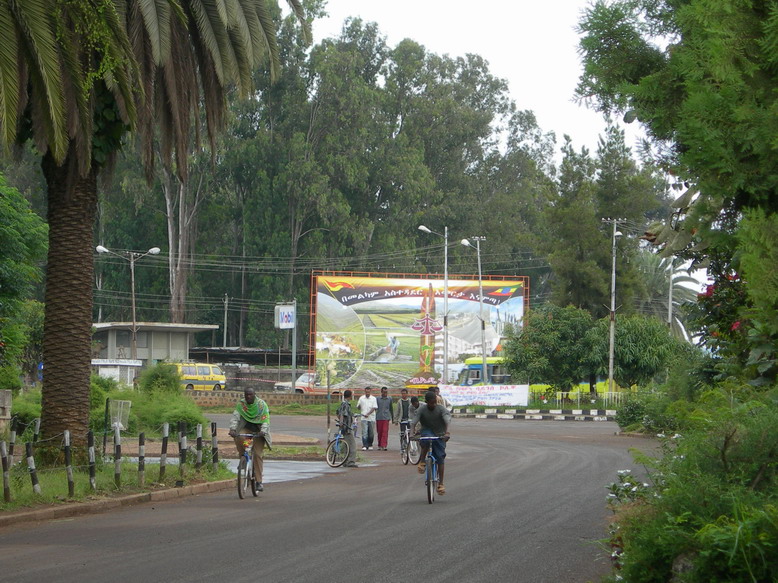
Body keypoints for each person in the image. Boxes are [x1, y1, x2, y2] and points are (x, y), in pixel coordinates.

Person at [228, 387, 272, 491]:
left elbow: (266, 420)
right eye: (246, 394)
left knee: (257, 454)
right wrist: (233, 429)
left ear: (254, 395)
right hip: (246, 429)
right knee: (239, 437)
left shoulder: (261, 405)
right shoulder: (241, 405)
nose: (248, 396)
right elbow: (235, 418)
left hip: (259, 431)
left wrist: (263, 431)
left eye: (250, 394)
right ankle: (243, 458)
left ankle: (259, 482)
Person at [411, 391, 451, 495]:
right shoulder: (421, 409)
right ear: (426, 402)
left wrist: (447, 433)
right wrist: (411, 433)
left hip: (440, 432)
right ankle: (422, 461)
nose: (433, 405)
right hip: (427, 430)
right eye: (431, 403)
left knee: (440, 457)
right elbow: (414, 421)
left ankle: (441, 483)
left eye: (434, 403)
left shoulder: (441, 409)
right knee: (426, 440)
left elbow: (447, 420)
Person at [336, 389, 358, 467]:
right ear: (350, 395)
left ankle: (345, 461)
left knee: (346, 445)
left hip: (344, 428)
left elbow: (339, 413)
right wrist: (342, 423)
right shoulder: (345, 404)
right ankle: (351, 462)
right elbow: (342, 414)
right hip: (346, 428)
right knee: (352, 445)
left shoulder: (344, 404)